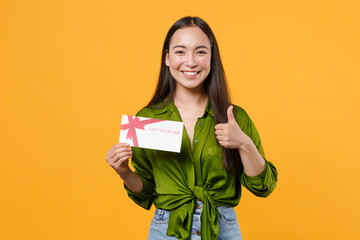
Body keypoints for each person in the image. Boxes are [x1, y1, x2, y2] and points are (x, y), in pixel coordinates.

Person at [106, 16, 278, 240]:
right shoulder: (147, 119)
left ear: (211, 58)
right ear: (167, 58)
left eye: (200, 52)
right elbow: (147, 191)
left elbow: (263, 187)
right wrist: (124, 172)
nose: (191, 62)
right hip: (167, 229)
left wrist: (244, 144)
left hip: (222, 229)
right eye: (180, 52)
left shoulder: (234, 118)